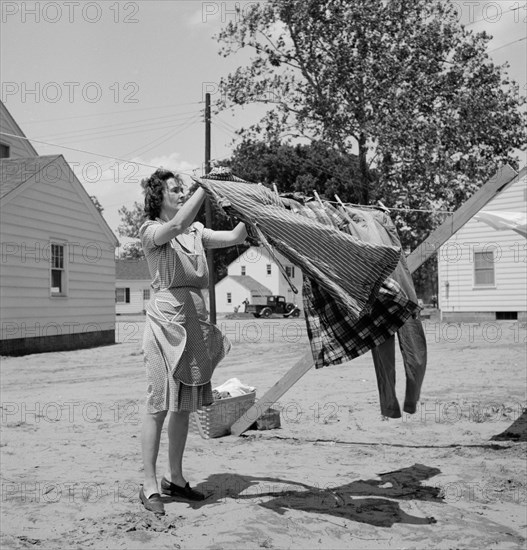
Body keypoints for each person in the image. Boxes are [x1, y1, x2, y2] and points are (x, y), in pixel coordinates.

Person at [138, 168, 247, 515]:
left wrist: (249, 207)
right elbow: (176, 226)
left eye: (183, 189)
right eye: (175, 190)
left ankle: (177, 480)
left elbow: (233, 237)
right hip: (164, 325)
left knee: (183, 406)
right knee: (158, 404)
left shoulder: (197, 232)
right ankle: (149, 485)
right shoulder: (152, 230)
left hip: (193, 324)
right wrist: (206, 186)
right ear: (159, 196)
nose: (181, 193)